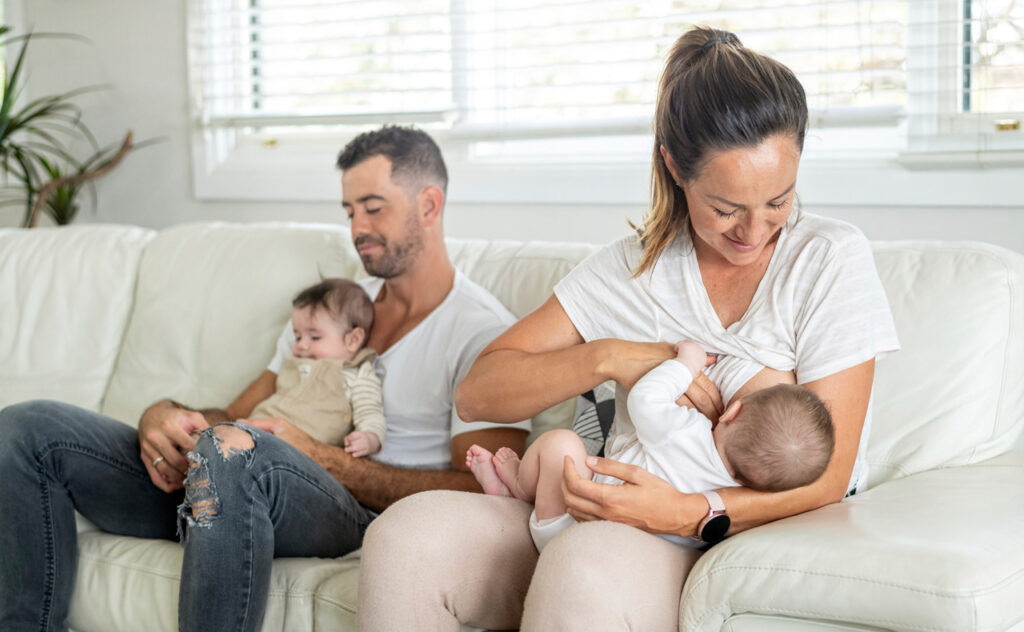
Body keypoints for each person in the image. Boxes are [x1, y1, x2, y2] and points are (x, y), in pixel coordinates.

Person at [357, 27, 899, 631]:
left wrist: (688, 511)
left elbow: (831, 473)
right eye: (725, 209)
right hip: (593, 505)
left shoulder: (827, 259)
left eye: (779, 200)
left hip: (723, 536)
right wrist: (614, 357)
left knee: (584, 567)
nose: (755, 231)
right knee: (403, 539)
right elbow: (479, 392)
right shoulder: (628, 270)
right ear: (674, 165)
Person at [0, 125, 529, 632]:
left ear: (429, 205)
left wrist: (326, 459)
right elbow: (235, 415)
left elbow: (482, 492)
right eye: (349, 210)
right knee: (28, 429)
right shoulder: (331, 310)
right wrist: (162, 414)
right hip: (234, 476)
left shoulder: (480, 332)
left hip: (355, 511)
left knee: (232, 451)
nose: (357, 229)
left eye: (373, 207)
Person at [467, 341, 834, 551]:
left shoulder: (686, 431)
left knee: (562, 443)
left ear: (732, 411)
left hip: (565, 522)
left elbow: (646, 399)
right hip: (622, 551)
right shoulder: (736, 497)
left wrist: (685, 365)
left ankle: (517, 485)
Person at [248, 278, 385, 456]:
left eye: (315, 338)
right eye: (298, 337)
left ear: (353, 339)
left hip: (299, 452)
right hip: (257, 428)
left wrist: (369, 439)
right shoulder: (296, 362)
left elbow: (370, 413)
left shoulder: (357, 375)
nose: (301, 346)